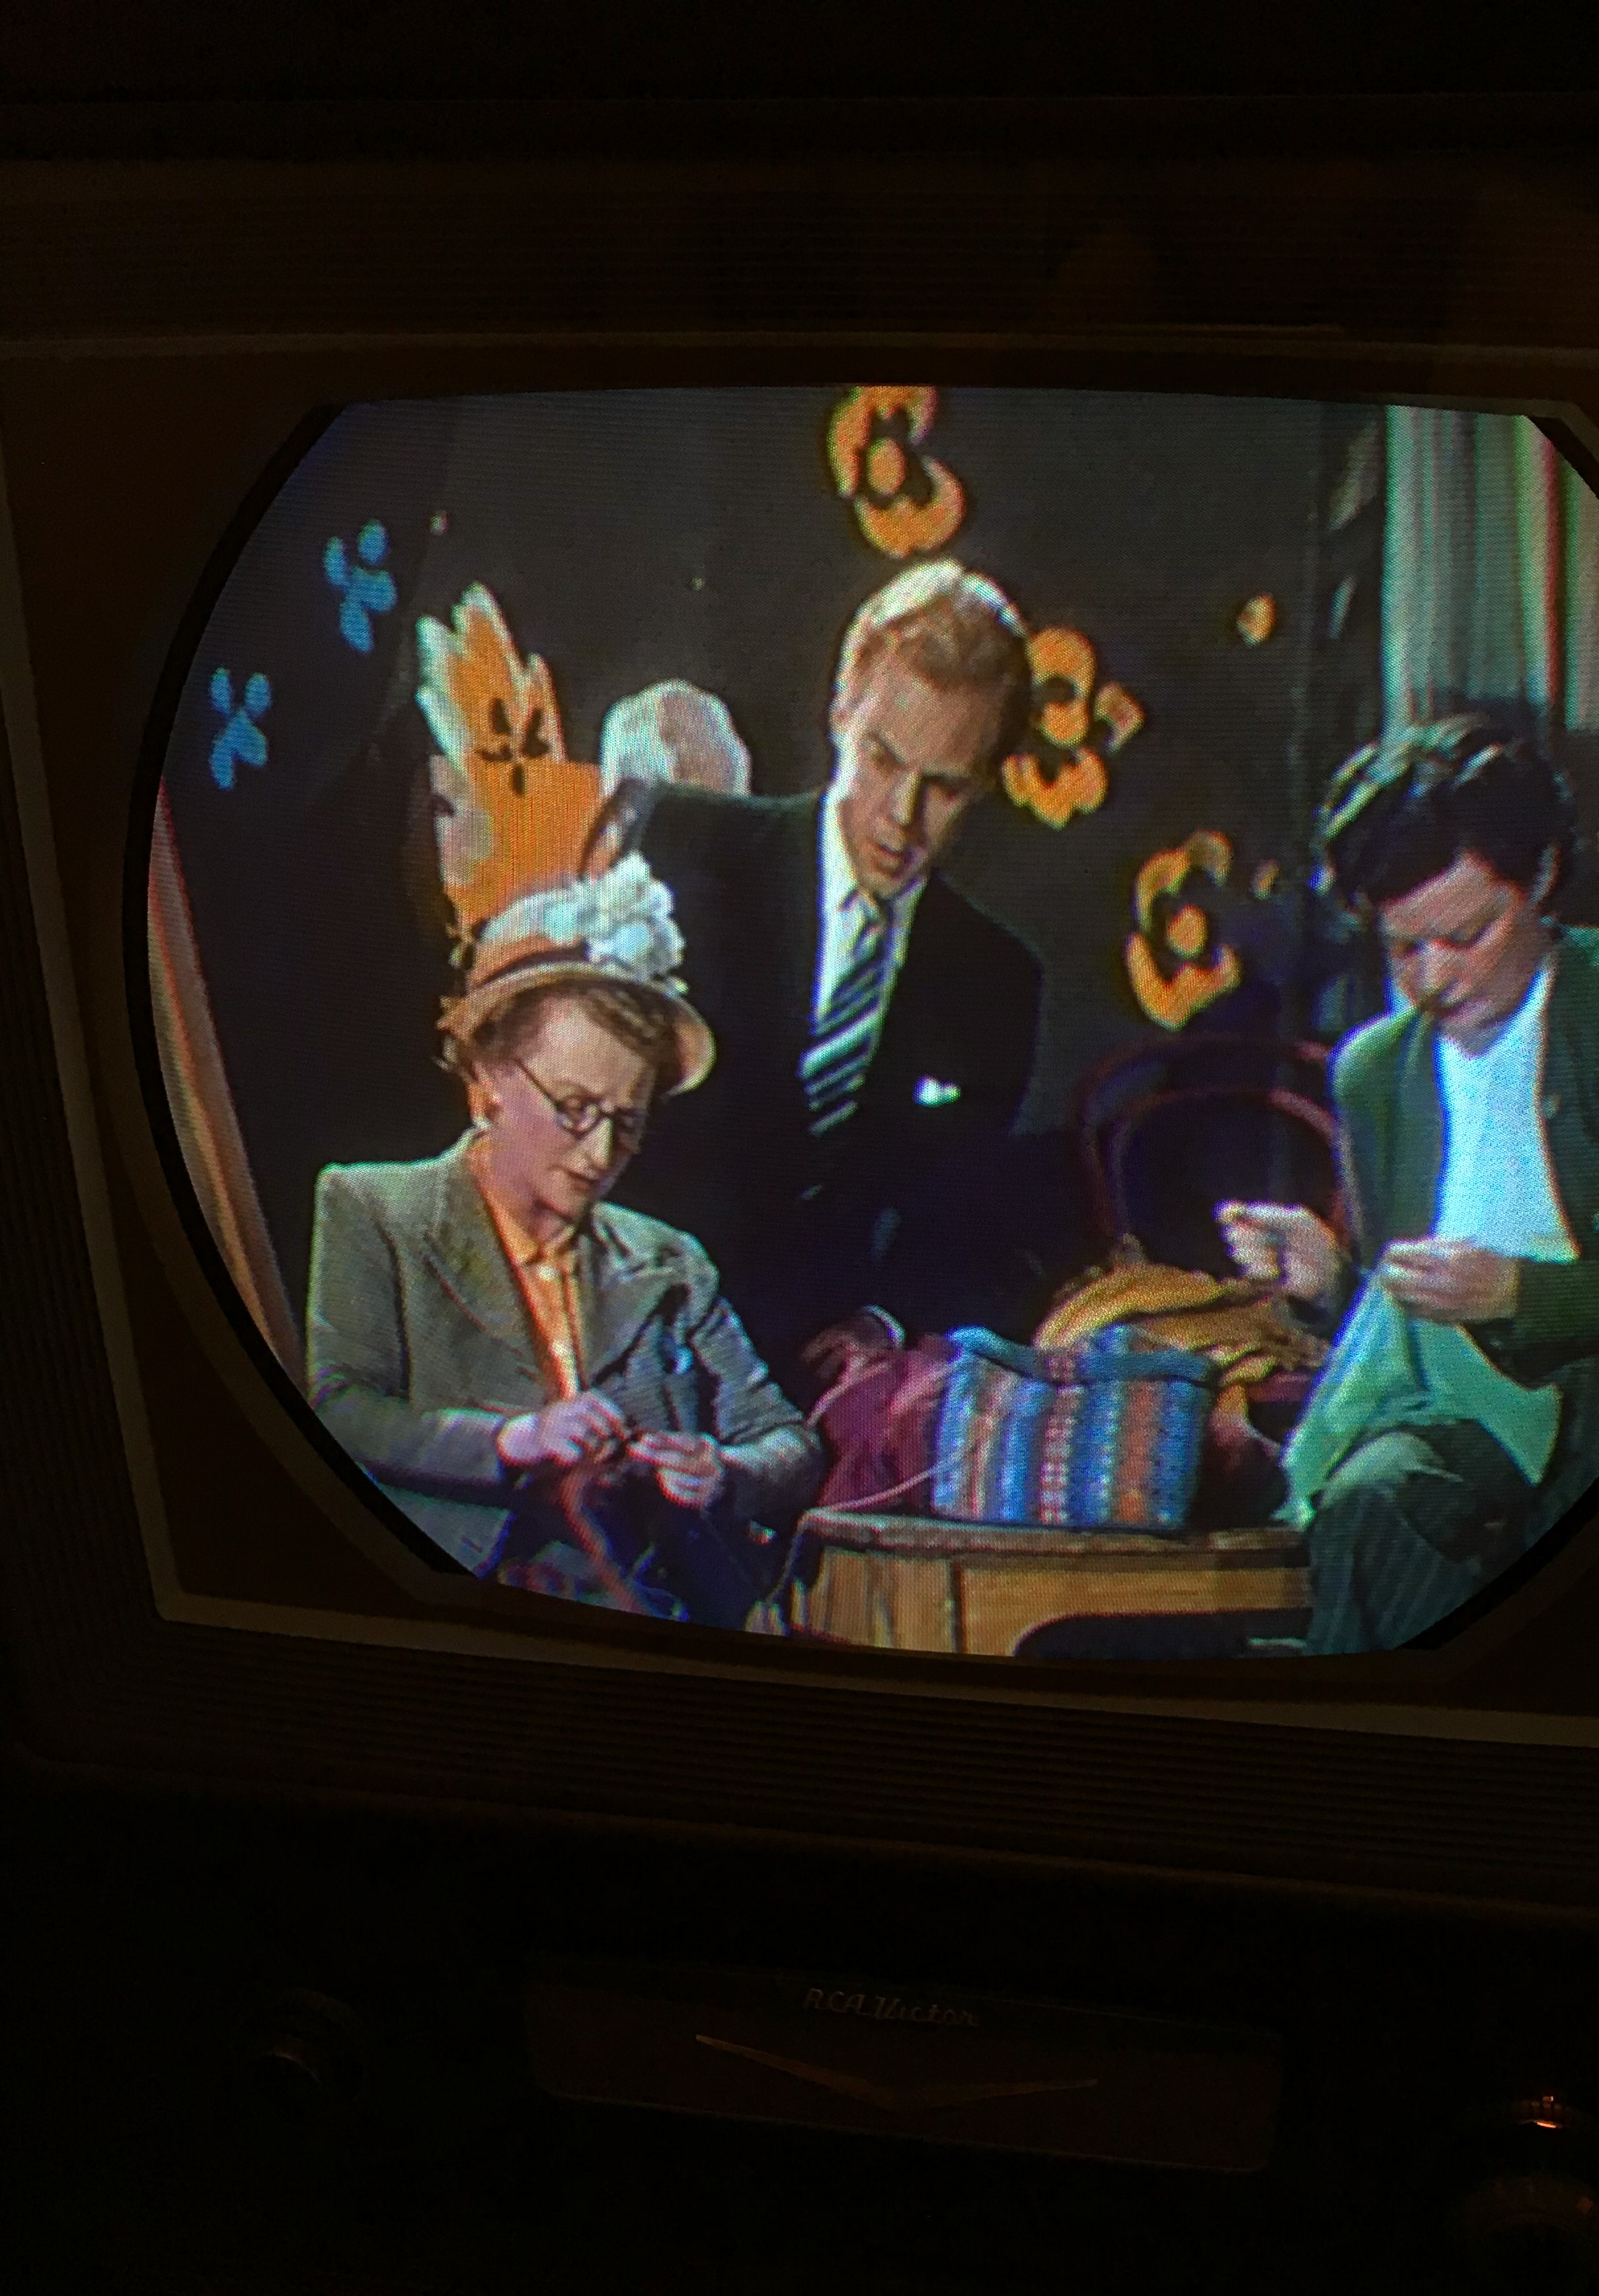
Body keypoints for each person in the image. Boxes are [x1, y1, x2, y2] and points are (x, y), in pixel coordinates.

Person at [1219, 717, 1599, 1656]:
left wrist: (1523, 1296)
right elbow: (1411, 1334)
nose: (1435, 979)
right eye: (1404, 948)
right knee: (1372, 1499)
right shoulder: (1375, 1072)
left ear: (1541, 877)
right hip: (1466, 1403)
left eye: (1467, 936)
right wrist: (1336, 1280)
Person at [306, 856, 822, 1625]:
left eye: (627, 1121)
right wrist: (515, 1439)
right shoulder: (378, 1208)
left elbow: (788, 1445)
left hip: (654, 1599)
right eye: (574, 1108)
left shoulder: (671, 1262)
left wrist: (724, 1472)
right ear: (488, 1076)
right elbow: (339, 1409)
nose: (600, 1154)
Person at [627, 559, 1046, 1382]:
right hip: (632, 1312)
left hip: (811, 1366)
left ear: (988, 784)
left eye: (945, 788)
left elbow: (956, 1218)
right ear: (840, 711)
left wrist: (883, 1320)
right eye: (882, 759)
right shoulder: (687, 849)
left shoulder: (996, 983)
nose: (902, 816)